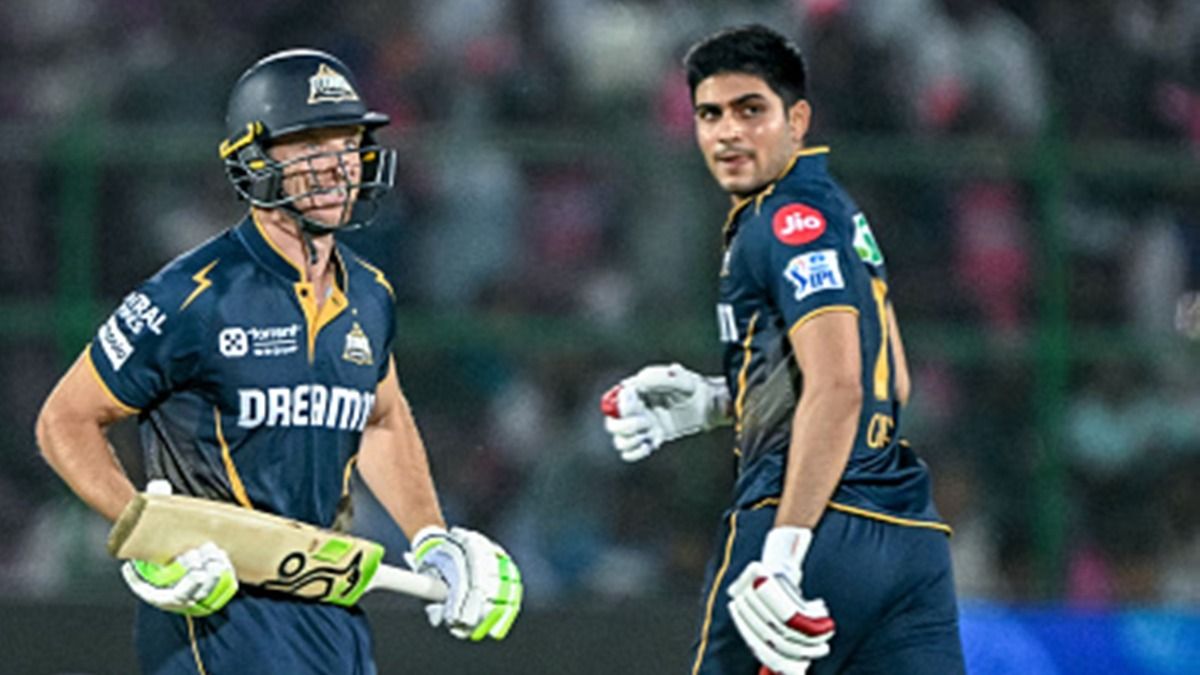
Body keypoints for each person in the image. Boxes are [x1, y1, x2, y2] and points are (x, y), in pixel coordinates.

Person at [34, 48, 521, 674]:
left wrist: (430, 537)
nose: (338, 165)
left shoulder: (369, 294)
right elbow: (64, 419)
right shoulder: (193, 296)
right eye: (311, 146)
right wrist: (148, 537)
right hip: (215, 615)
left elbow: (380, 418)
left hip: (334, 618)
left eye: (348, 143)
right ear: (254, 160)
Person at [601, 26, 964, 675]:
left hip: (809, 520)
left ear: (797, 120)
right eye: (710, 114)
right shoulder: (836, 209)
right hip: (908, 537)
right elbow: (891, 380)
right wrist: (718, 402)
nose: (728, 133)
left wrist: (784, 550)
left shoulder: (787, 221)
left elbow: (841, 387)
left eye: (750, 110)